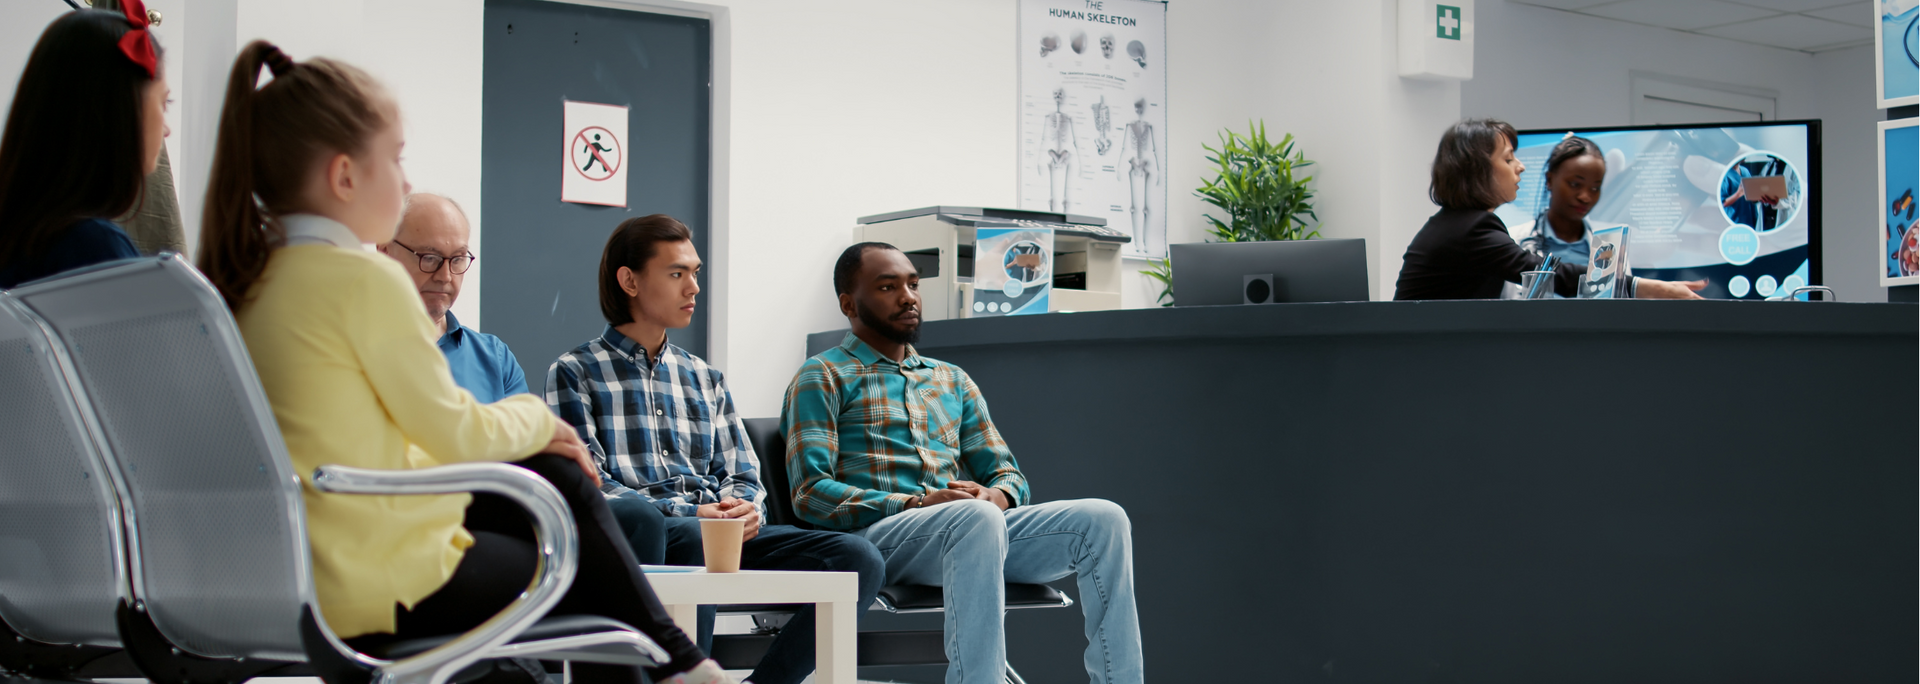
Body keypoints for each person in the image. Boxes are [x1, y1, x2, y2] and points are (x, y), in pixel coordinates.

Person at [196, 40, 729, 684]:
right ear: (343, 176)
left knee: (552, 480)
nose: (407, 181)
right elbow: (450, 430)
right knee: (562, 501)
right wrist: (538, 421)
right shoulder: (361, 281)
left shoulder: (245, 284)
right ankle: (682, 661)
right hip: (379, 586)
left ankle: (677, 661)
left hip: (293, 573)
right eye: (395, 159)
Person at [780, 242, 1143, 684]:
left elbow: (1009, 475)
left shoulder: (952, 379)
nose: (908, 296)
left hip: (970, 531)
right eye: (888, 286)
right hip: (878, 540)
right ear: (848, 304)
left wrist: (995, 494)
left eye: (913, 284)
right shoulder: (823, 375)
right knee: (972, 518)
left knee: (1104, 519)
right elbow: (809, 494)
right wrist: (916, 503)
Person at [548, 215, 884, 684]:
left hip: (722, 532)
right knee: (683, 541)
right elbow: (593, 486)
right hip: (659, 536)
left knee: (858, 559)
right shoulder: (574, 371)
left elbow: (744, 471)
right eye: (676, 273)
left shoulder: (706, 377)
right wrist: (692, 512)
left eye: (696, 272)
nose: (693, 288)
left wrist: (745, 509)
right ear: (629, 280)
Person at [1394, 119, 1706, 301]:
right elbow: (1547, 274)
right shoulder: (1473, 229)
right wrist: (1651, 288)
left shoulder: (1458, 224)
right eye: (1507, 159)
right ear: (1477, 170)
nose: (1520, 166)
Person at [0, 1, 168, 288]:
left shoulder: (16, 240)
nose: (166, 128)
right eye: (165, 102)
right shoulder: (94, 249)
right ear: (122, 112)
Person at [379, 193, 527, 403]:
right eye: (429, 258)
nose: (445, 276)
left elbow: (525, 435)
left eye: (457, 259)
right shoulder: (346, 346)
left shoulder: (496, 360)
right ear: (385, 251)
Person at [1515, 135, 1608, 274]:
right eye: (1575, 184)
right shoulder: (1515, 241)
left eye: (1595, 188)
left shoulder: (1610, 249)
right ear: (1550, 180)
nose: (1585, 197)